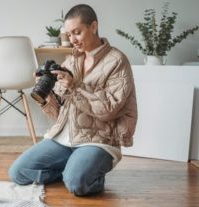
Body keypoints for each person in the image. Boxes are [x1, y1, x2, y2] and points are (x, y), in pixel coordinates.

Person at [8, 4, 137, 196]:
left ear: (93, 26)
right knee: (18, 173)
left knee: (77, 184)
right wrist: (45, 97)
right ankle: (71, 168)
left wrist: (74, 87)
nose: (73, 40)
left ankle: (83, 173)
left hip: (98, 139)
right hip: (63, 138)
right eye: (69, 34)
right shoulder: (71, 61)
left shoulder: (117, 61)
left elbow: (109, 109)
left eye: (77, 32)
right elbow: (60, 114)